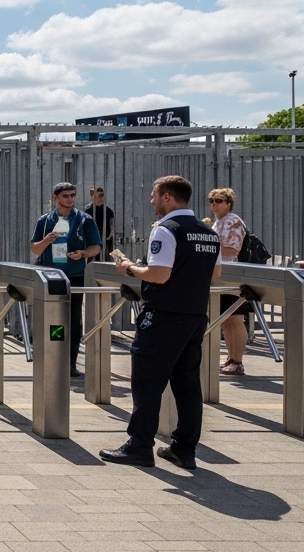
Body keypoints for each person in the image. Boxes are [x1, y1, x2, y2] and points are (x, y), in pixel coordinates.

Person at [101, 175, 221, 470]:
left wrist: (129, 269)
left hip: (163, 315)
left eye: (154, 195)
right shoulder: (207, 232)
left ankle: (140, 446)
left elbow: (159, 274)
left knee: (147, 382)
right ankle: (184, 449)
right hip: (194, 316)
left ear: (167, 196)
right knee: (188, 384)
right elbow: (214, 275)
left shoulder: (167, 230)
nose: (151, 201)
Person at [28, 182, 102, 378]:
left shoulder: (84, 220)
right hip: (50, 277)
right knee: (50, 319)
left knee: (73, 321)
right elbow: (35, 248)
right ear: (55, 198)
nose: (70, 199)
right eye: (66, 196)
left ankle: (70, 364)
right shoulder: (45, 221)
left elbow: (97, 247)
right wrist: (46, 240)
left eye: (72, 196)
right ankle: (49, 361)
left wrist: (83, 253)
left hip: (75, 275)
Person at [207, 188, 250, 376]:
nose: (214, 204)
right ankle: (231, 358)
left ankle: (237, 360)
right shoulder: (218, 223)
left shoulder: (233, 222)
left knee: (236, 319)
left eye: (218, 200)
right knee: (226, 320)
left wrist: (208, 243)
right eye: (211, 201)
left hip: (232, 274)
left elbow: (233, 250)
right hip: (222, 275)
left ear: (228, 203)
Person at [86, 186, 116, 257]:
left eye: (101, 195)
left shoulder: (108, 210)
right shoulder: (88, 211)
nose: (99, 198)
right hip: (92, 241)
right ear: (92, 196)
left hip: (106, 240)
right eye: (97, 196)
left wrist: (111, 233)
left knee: (106, 260)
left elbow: (112, 223)